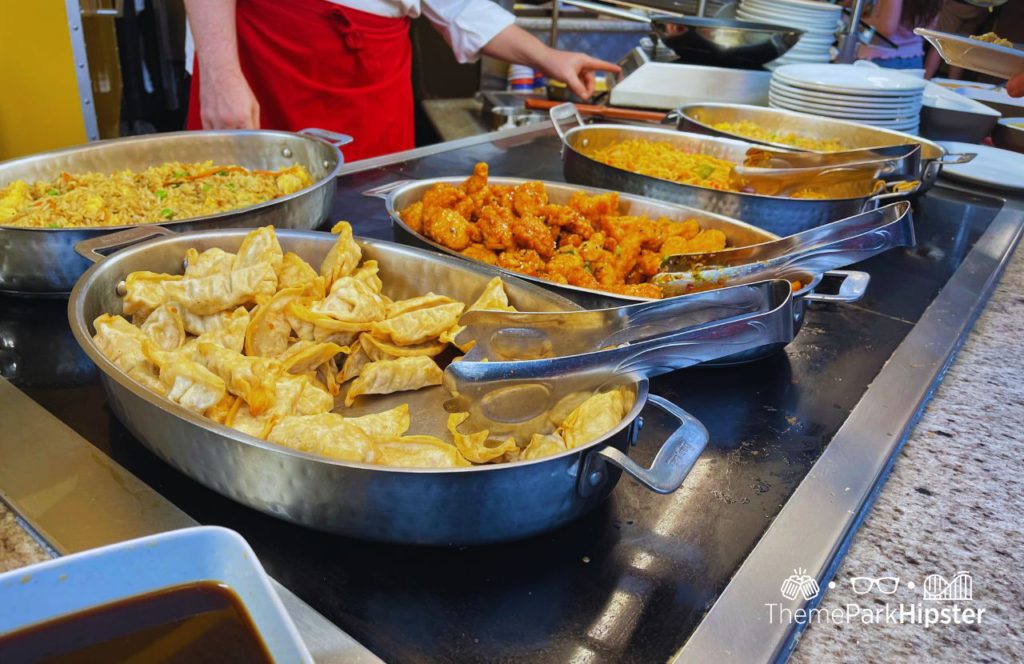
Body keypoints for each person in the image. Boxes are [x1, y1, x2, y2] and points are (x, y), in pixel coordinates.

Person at [185, 0, 620, 161]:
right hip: (270, 53)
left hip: (376, 75)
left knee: (365, 232)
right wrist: (222, 74)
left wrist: (547, 58)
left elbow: (456, 4)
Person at [924, 0, 1006, 78]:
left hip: (957, 4)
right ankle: (953, 83)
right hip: (980, 8)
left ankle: (926, 79)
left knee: (939, 41)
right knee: (961, 46)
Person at [858, 0, 943, 69]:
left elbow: (887, 27)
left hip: (881, 58)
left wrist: (856, 19)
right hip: (915, 59)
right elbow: (930, 27)